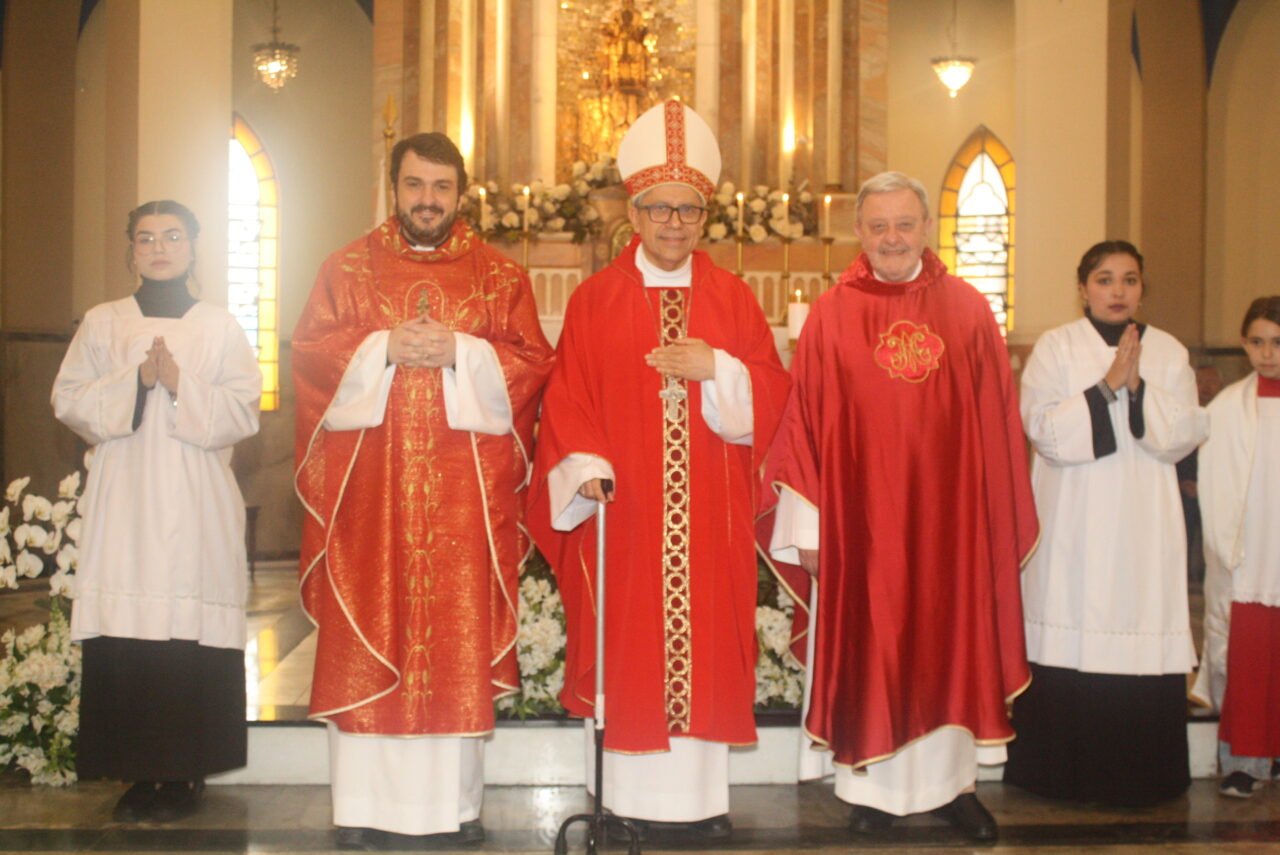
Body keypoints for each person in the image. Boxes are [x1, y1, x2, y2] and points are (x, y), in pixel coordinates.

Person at [528, 100, 791, 840]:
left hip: (710, 519)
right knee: (630, 651)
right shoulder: (594, 300)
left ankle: (700, 807)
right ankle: (623, 802)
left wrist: (723, 368)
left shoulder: (733, 298)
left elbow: (774, 395)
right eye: (659, 208)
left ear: (705, 214)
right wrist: (584, 467)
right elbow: (568, 399)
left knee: (704, 647)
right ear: (633, 212)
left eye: (689, 209)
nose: (674, 223)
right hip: (629, 517)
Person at [292, 132, 554, 847]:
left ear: (461, 193)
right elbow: (310, 356)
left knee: (451, 636)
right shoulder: (344, 269)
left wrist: (462, 352)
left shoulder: (499, 276)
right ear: (394, 187)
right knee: (373, 622)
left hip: (463, 505)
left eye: (441, 188)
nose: (428, 201)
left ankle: (452, 808)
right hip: (369, 496)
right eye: (415, 186)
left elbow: (535, 363)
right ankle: (361, 808)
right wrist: (382, 348)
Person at [761, 171, 1038, 842]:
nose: (891, 237)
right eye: (878, 225)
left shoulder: (968, 310)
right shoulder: (831, 314)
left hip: (953, 529)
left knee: (951, 642)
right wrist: (811, 532)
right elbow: (804, 429)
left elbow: (997, 427)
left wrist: (991, 519)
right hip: (863, 530)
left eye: (904, 224)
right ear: (858, 232)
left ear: (925, 229)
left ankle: (955, 788)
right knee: (875, 643)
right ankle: (870, 788)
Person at [51, 200, 262, 821]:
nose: (159, 248)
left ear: (194, 248)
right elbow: (67, 398)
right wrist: (134, 383)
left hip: (195, 494)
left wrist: (178, 383)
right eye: (146, 238)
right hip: (126, 495)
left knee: (185, 629)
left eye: (172, 237)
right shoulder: (102, 321)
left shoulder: (220, 325)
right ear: (131, 251)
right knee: (129, 629)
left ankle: (186, 770)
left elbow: (244, 410)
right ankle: (137, 773)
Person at [1005, 240, 1208, 806]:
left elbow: (1183, 433)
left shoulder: (1166, 351)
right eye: (1104, 279)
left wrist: (1138, 385)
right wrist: (1106, 386)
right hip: (1074, 514)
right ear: (1083, 287)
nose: (1118, 291)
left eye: (1129, 280)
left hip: (1144, 519)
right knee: (1071, 621)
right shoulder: (1055, 347)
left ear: (1143, 288)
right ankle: (1056, 774)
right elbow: (1043, 430)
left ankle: (1143, 776)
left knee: (1136, 615)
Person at [1195, 296, 1280, 798]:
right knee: (1248, 655)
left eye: (1277, 342)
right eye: (1257, 342)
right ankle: (1245, 761)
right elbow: (1215, 480)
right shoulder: (1227, 407)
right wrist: (1229, 542)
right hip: (1248, 551)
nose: (1267, 353)